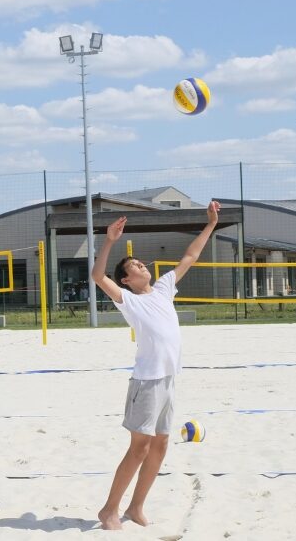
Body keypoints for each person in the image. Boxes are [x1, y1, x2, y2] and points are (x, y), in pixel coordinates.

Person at [89, 200, 220, 530]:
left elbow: (190, 256)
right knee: (139, 448)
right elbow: (97, 275)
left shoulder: (163, 289)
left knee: (160, 446)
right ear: (126, 279)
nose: (142, 265)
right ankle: (109, 510)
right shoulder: (129, 301)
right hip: (146, 382)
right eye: (134, 265)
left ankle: (136, 507)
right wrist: (109, 241)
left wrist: (210, 225)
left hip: (168, 380)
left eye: (141, 262)